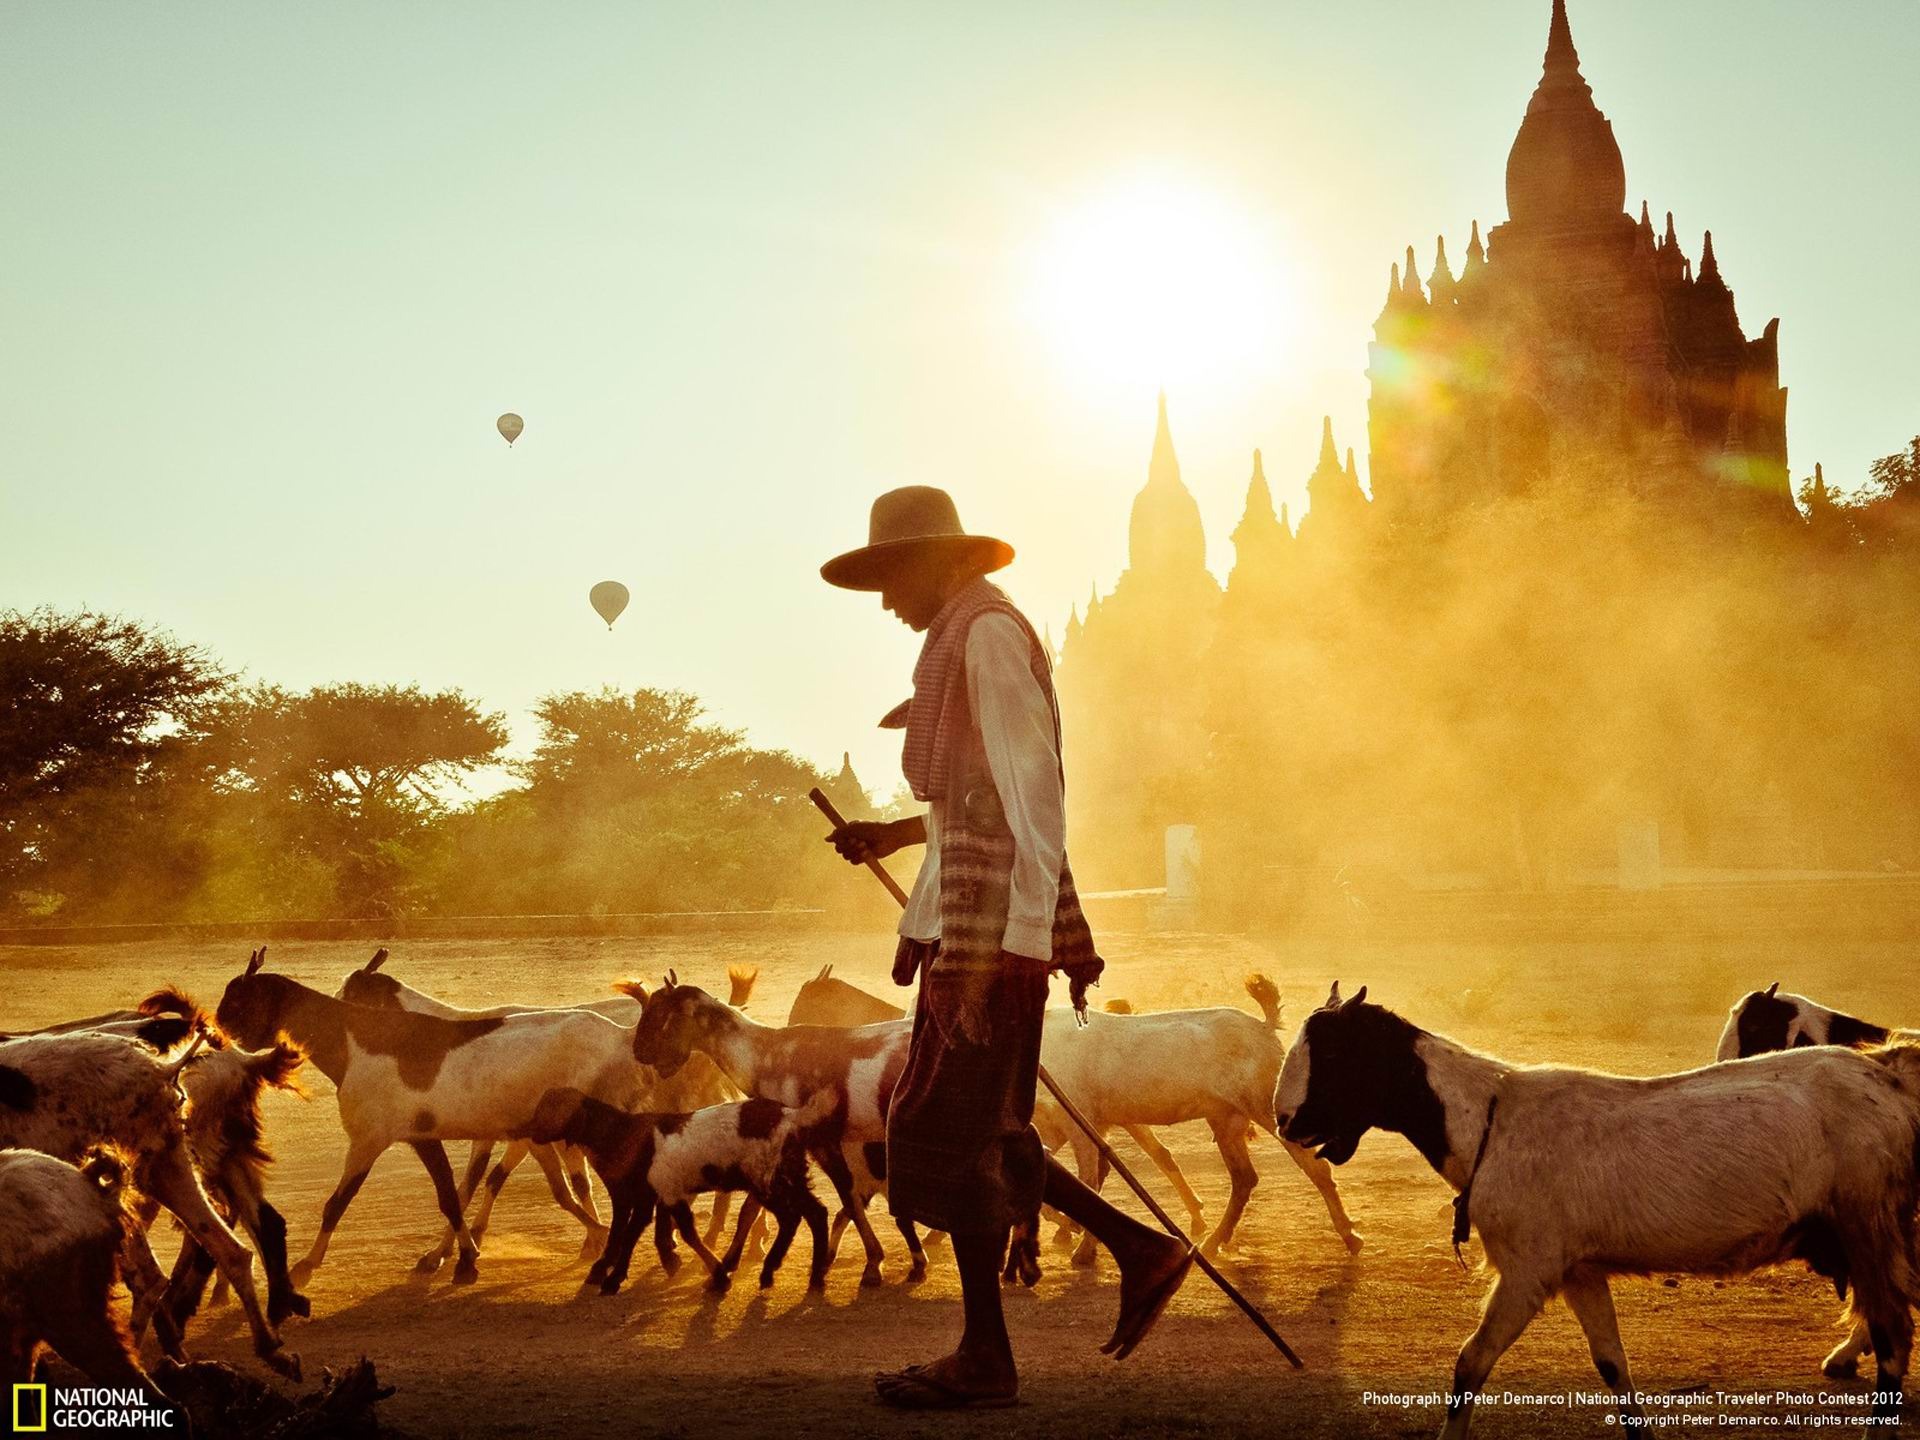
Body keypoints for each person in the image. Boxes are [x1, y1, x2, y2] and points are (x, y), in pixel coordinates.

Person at [820, 485, 1193, 1411]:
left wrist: (1021, 942)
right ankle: (1131, 1252)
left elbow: (1034, 796)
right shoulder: (960, 640)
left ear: (944, 561)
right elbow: (972, 806)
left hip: (993, 940)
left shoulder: (984, 635)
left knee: (943, 1134)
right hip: (973, 928)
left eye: (893, 574)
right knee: (979, 1132)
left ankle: (995, 1352)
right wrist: (894, 835)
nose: (885, 600)